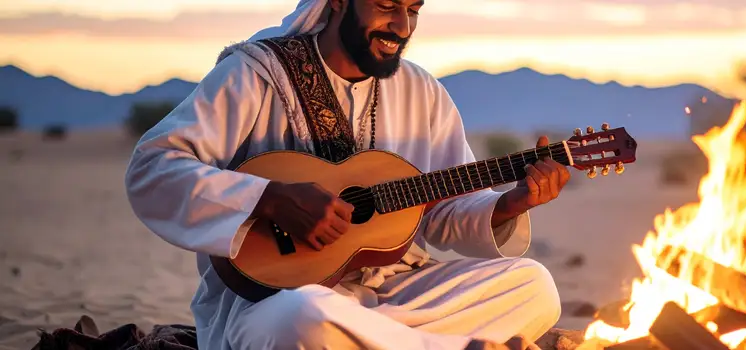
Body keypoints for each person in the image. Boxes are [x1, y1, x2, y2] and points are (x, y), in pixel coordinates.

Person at [123, 0, 571, 349]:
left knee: (534, 285)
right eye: (386, 6)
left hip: (396, 295)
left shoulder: (423, 93)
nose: (403, 26)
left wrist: (509, 204)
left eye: (413, 10)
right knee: (305, 317)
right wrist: (269, 198)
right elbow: (153, 168)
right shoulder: (255, 74)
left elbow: (442, 213)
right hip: (276, 302)